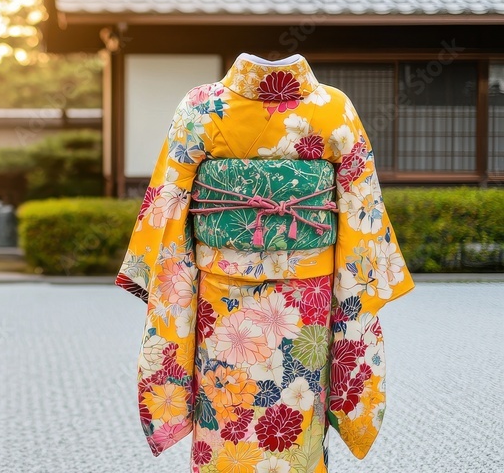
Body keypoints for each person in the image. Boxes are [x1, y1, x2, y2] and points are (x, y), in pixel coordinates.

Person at [116, 53, 413, 472]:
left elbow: (168, 208)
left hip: (222, 305)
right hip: (303, 300)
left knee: (228, 410)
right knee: (291, 413)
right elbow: (361, 217)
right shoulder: (333, 108)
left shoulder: (201, 107)